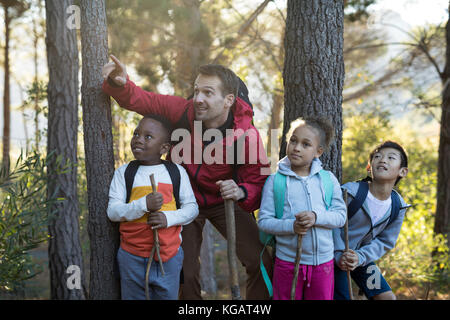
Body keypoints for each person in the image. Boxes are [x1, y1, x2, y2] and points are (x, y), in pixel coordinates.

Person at [102, 55, 273, 300]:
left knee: (261, 261)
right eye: (196, 91)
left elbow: (258, 181)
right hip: (183, 200)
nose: (198, 99)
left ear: (228, 100)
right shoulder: (183, 112)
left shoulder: (247, 135)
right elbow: (143, 100)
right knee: (185, 271)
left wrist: (241, 191)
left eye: (208, 92)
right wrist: (121, 84)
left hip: (224, 201)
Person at [107, 114, 199, 300]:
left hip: (169, 255)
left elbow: (192, 208)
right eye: (136, 134)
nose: (138, 140)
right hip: (131, 256)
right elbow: (113, 212)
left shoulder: (175, 172)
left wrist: (168, 218)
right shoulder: (125, 173)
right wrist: (143, 205)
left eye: (148, 137)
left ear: (164, 148)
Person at [258, 116, 347, 300]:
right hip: (288, 264)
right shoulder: (276, 181)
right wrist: (292, 226)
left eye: (306, 144)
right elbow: (264, 221)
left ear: (318, 151)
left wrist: (316, 217)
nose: (297, 148)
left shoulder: (328, 180)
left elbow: (340, 216)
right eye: (293, 141)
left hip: (323, 265)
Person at [333, 140, 409, 300]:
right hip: (333, 255)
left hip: (360, 258)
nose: (383, 160)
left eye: (391, 157)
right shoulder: (350, 192)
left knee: (387, 298)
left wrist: (359, 257)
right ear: (369, 167)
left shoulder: (398, 206)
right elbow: (332, 224)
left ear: (402, 172)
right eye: (378, 156)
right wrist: (340, 253)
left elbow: (385, 242)